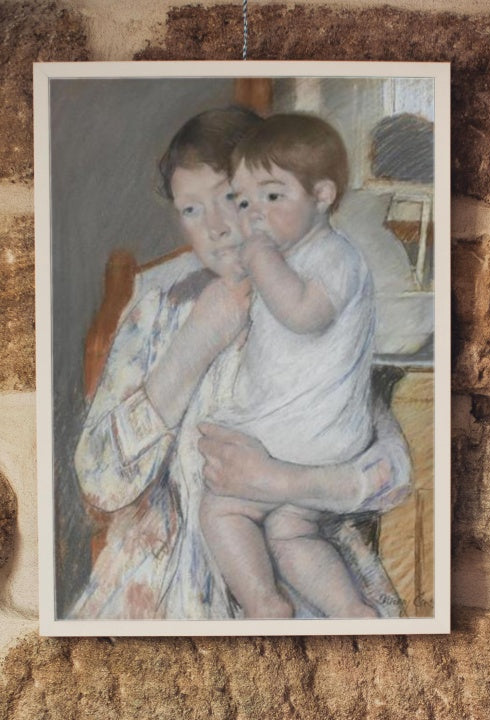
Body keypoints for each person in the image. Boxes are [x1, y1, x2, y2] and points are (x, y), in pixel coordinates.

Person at [71, 105, 411, 621]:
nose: (217, 228)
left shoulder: (317, 288)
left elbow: (394, 473)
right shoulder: (159, 307)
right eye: (191, 210)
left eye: (230, 199)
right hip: (167, 581)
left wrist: (280, 481)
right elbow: (98, 482)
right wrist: (197, 340)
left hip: (302, 567)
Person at [199, 113, 378, 620]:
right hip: (321, 439)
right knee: (290, 530)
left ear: (322, 195)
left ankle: (262, 603)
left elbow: (303, 314)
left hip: (304, 437)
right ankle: (349, 609)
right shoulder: (297, 252)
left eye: (273, 196)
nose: (254, 214)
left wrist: (258, 257)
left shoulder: (334, 256)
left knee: (221, 505)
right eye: (243, 199)